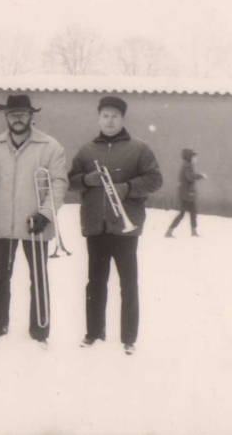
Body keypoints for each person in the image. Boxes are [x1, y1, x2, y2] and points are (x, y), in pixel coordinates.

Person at [68, 96, 163, 355]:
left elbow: (155, 180)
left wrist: (127, 188)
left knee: (128, 284)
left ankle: (128, 338)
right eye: (105, 116)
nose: (109, 121)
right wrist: (87, 180)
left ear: (123, 119)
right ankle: (93, 333)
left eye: (114, 116)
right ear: (99, 119)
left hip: (125, 227)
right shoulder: (86, 151)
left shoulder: (139, 148)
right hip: (95, 226)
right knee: (95, 282)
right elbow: (70, 181)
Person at [0, 94, 68, 347]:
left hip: (35, 224)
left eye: (23, 114)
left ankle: (40, 330)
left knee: (39, 277)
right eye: (13, 114)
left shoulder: (50, 146)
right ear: (6, 116)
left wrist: (45, 214)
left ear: (31, 116)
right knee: (0, 276)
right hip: (3, 223)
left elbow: (58, 184)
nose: (18, 118)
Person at [165, 148, 207, 238]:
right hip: (186, 195)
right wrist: (200, 176)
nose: (196, 159)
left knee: (193, 213)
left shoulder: (188, 165)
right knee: (182, 214)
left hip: (188, 195)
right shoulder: (187, 166)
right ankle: (169, 231)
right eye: (194, 157)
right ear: (190, 157)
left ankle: (193, 231)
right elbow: (190, 177)